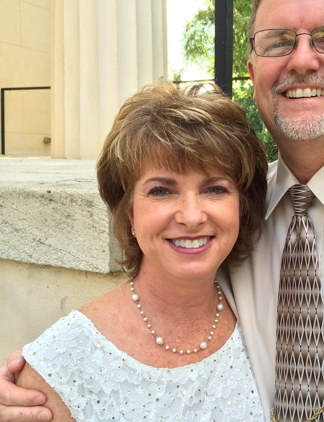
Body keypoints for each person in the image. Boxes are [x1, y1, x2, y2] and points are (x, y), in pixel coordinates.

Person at [1, 0, 324, 420]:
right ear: (253, 71)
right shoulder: (236, 217)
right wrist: (49, 373)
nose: (303, 58)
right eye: (278, 41)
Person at [0, 78, 268, 421]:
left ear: (241, 207)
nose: (191, 216)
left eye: (215, 189)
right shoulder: (56, 370)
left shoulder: (266, 316)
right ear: (128, 210)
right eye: (161, 191)